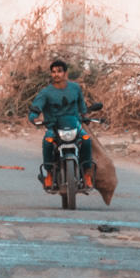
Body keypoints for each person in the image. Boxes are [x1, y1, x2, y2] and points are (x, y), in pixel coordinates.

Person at [27, 59, 92, 187]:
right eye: (53, 72)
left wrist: (85, 116)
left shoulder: (75, 88)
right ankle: (49, 174)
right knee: (48, 141)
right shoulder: (45, 92)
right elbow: (36, 108)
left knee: (86, 140)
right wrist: (34, 118)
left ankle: (87, 174)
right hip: (54, 126)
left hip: (74, 125)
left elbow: (82, 106)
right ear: (51, 74)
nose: (56, 74)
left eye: (59, 71)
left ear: (65, 73)